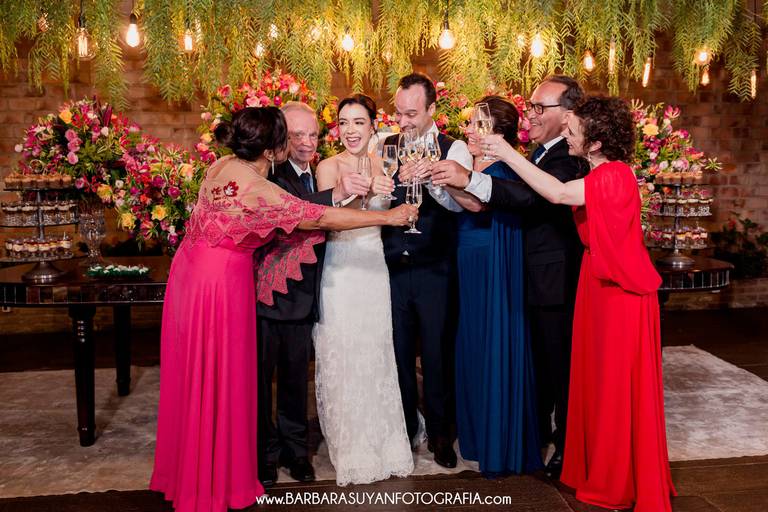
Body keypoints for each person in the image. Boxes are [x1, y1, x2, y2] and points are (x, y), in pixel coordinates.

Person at [150, 106, 417, 512]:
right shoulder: (260, 188)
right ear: (273, 149)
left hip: (190, 273)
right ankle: (214, 482)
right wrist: (392, 216)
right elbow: (320, 217)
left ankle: (191, 469)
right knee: (223, 375)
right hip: (219, 283)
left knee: (200, 374)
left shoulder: (222, 166)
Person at [472, 96, 676, 512]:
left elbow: (558, 193)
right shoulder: (599, 172)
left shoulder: (614, 174)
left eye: (573, 130)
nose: (566, 135)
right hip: (596, 284)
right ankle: (597, 466)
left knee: (615, 388)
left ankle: (618, 479)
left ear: (596, 142)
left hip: (620, 295)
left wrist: (506, 152)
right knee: (594, 384)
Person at [431, 75, 587, 478]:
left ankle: (568, 447)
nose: (530, 115)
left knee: (559, 367)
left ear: (568, 114)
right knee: (534, 364)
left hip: (551, 277)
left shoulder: (568, 158)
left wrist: (468, 178)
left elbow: (530, 198)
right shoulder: (539, 153)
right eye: (530, 107)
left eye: (539, 107)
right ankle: (530, 434)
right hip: (519, 268)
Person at [256, 101, 370, 487]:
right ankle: (265, 455)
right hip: (270, 297)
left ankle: (296, 452)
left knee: (294, 380)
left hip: (305, 297)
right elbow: (298, 212)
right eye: (297, 135)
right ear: (281, 138)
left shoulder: (314, 175)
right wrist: (337, 194)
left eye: (313, 135)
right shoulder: (271, 175)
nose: (306, 142)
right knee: (261, 383)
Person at [312, 94, 414, 486]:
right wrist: (360, 193)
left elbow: (406, 206)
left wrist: (398, 198)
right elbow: (328, 218)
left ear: (373, 125)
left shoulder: (386, 161)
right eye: (343, 122)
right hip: (341, 270)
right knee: (343, 352)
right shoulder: (328, 166)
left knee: (377, 351)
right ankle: (351, 447)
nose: (350, 130)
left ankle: (387, 442)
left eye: (358, 122)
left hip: (374, 268)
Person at [443, 96, 542, 477]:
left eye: (476, 124)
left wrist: (442, 176)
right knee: (470, 340)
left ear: (497, 131)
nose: (468, 129)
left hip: (491, 257)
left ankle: (497, 438)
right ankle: (473, 432)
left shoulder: (505, 165)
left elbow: (477, 205)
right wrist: (444, 179)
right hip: (466, 255)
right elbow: (462, 201)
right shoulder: (472, 163)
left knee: (491, 339)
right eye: (469, 123)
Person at [381, 72, 473, 468]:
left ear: (432, 109)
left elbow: (459, 206)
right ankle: (405, 430)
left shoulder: (455, 149)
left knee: (437, 354)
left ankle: (441, 434)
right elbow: (379, 202)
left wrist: (432, 177)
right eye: (399, 113)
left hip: (436, 268)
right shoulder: (386, 145)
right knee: (398, 354)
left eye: (412, 114)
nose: (403, 122)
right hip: (393, 267)